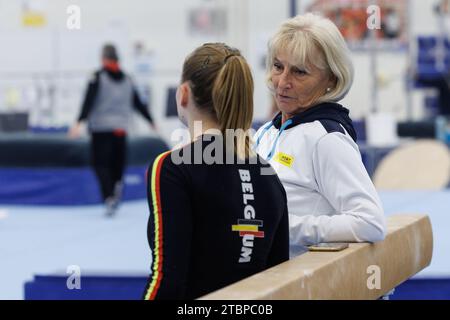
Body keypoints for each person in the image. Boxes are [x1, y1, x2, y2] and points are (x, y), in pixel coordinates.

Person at [143, 43, 289, 300]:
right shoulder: (269, 175)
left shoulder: (173, 168)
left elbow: (166, 282)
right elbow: (278, 279)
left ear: (183, 94)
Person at [254, 13, 386, 258]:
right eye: (278, 67)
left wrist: (286, 227)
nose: (282, 82)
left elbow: (370, 222)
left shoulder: (326, 139)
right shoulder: (266, 133)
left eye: (299, 72)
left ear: (331, 79)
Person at [69, 44, 155, 217]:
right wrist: (151, 120)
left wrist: (79, 122)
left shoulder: (97, 77)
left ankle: (108, 195)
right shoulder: (128, 79)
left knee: (100, 164)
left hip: (101, 129)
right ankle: (117, 184)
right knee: (117, 164)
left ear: (103, 58)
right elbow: (138, 103)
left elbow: (89, 100)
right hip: (121, 129)